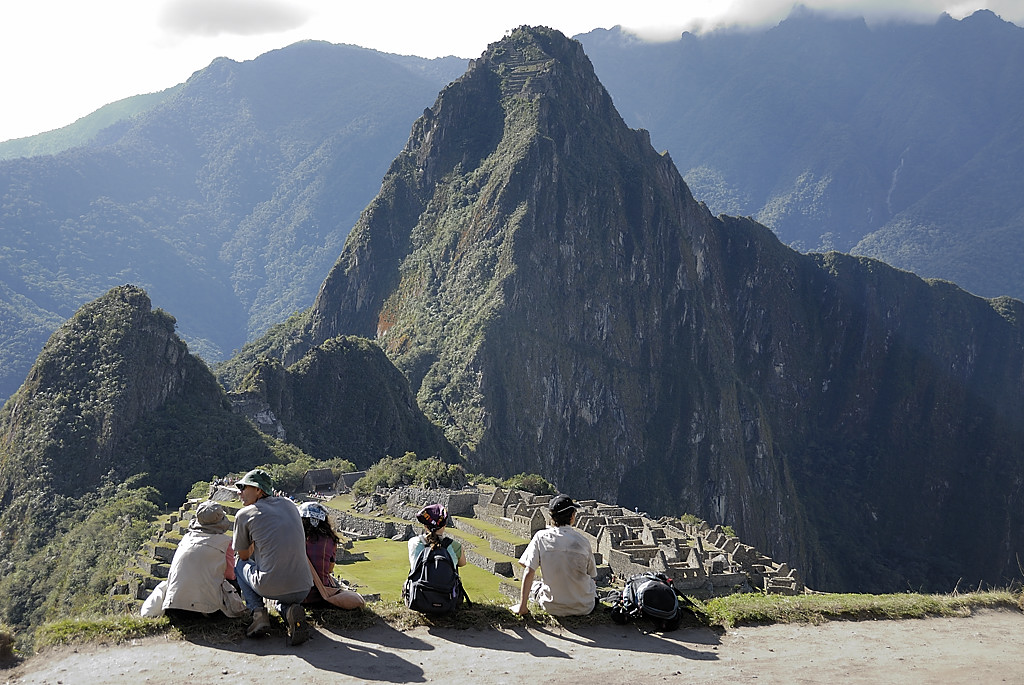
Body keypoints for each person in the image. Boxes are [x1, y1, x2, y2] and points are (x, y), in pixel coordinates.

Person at [233, 468, 314, 645]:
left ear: (258, 490)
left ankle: (258, 613)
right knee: (281, 601)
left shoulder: (244, 515)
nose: (239, 493)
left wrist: (254, 541)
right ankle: (289, 612)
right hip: (303, 586)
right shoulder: (290, 505)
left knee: (238, 564)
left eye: (243, 487)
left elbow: (244, 556)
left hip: (271, 586)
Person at [141, 501, 246, 619]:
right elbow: (230, 575)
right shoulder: (226, 543)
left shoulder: (186, 539)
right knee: (236, 577)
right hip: (209, 610)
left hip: (175, 608)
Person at [511, 494, 597, 616]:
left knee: (535, 586)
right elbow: (591, 573)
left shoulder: (541, 537)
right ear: (572, 516)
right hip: (584, 607)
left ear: (551, 517)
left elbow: (529, 571)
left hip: (551, 606)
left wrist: (522, 607)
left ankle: (523, 607)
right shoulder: (583, 541)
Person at [298, 501, 365, 609]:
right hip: (319, 595)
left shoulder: (295, 540)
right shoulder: (329, 541)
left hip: (297, 595)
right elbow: (329, 569)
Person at [407, 503, 466, 571]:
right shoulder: (455, 546)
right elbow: (462, 563)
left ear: (425, 526)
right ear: (444, 526)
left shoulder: (413, 543)